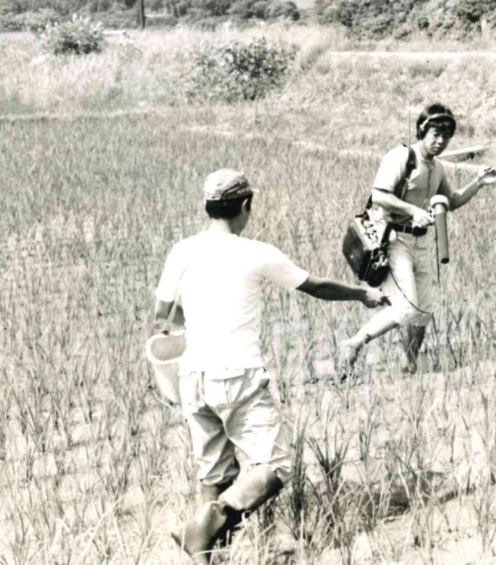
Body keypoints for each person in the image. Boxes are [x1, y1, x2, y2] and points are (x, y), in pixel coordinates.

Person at [154, 169, 387, 563]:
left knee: (214, 473)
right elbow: (316, 286)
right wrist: (362, 293)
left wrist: (195, 321)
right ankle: (204, 525)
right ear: (245, 206)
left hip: (192, 376)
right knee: (275, 467)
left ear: (208, 207)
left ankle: (205, 554)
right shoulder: (256, 252)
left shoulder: (182, 250)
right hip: (238, 376)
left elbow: (162, 316)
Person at [338, 102, 496, 376]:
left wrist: (478, 183)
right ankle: (354, 343)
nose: (441, 142)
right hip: (394, 241)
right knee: (405, 307)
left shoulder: (437, 168)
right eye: (435, 134)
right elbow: (379, 195)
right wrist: (413, 210)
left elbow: (451, 201)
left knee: (423, 310)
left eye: (446, 136)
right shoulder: (401, 156)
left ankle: (410, 365)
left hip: (422, 243)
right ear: (422, 131)